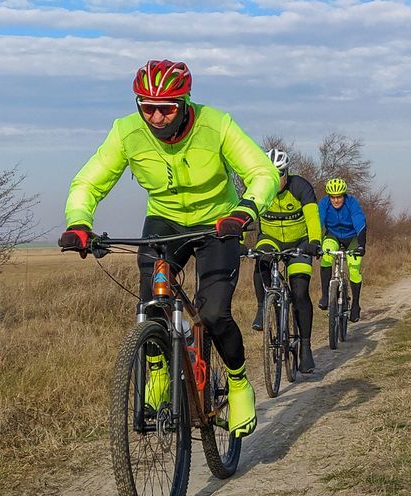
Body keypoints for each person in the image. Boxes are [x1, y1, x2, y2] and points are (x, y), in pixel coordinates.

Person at [58, 59, 279, 437]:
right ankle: (158, 370)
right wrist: (79, 221)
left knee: (213, 313)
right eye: (148, 108)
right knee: (151, 304)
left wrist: (244, 211)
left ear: (185, 103)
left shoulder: (217, 125)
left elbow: (263, 172)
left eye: (166, 108)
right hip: (164, 222)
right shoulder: (126, 133)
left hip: (218, 224)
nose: (157, 117)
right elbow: (89, 181)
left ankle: (240, 382)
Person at [251, 148, 322, 373]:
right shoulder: (259, 189)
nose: (276, 179)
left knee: (300, 291)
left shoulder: (300, 187)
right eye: (271, 174)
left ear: (286, 172)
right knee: (261, 260)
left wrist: (314, 241)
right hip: (270, 238)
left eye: (279, 174)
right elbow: (245, 215)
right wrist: (239, 242)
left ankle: (305, 347)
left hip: (299, 242)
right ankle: (263, 306)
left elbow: (312, 216)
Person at [317, 178, 367, 322]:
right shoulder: (324, 203)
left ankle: (356, 305)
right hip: (333, 236)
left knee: (354, 270)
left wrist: (361, 245)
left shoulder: (352, 203)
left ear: (344, 195)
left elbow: (359, 222)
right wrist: (315, 243)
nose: (336, 200)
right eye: (333, 197)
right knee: (326, 256)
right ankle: (326, 295)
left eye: (339, 197)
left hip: (352, 238)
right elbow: (319, 221)